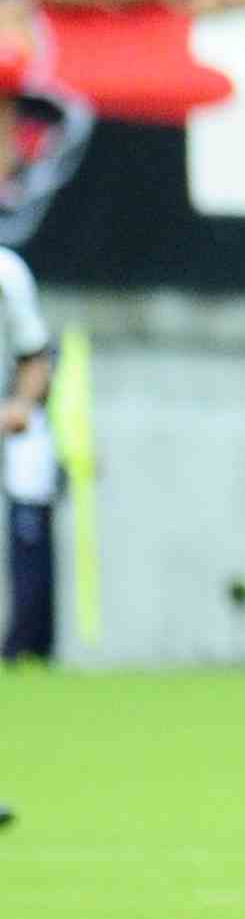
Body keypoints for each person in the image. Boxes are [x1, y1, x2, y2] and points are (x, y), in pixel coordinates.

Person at [0, 242, 54, 665]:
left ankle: (24, 650)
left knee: (27, 537)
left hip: (10, 424)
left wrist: (19, 406)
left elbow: (35, 358)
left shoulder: (8, 274)